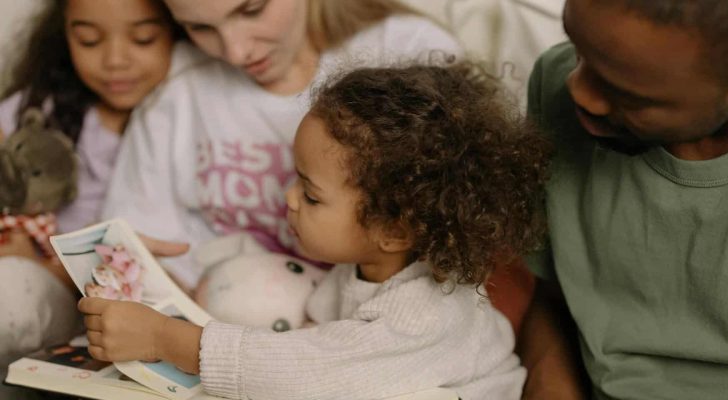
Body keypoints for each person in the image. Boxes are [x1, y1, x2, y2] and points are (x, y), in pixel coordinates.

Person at [78, 62, 550, 400]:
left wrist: (164, 339)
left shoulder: (425, 314)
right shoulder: (366, 269)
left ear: (394, 230)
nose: (287, 198)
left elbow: (300, 370)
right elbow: (316, 335)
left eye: (311, 194)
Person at [517, 0, 728, 399]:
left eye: (628, 95)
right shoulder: (556, 82)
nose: (578, 90)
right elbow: (554, 300)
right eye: (578, 49)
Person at [101, 0, 464, 290]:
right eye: (200, 27)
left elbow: (453, 226)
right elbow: (136, 245)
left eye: (251, 9)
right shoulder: (180, 84)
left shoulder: (409, 51)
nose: (236, 51)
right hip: (216, 314)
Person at [0, 0, 183, 394]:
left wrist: (53, 268)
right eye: (88, 40)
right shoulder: (42, 109)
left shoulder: (181, 115)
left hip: (126, 299)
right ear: (64, 36)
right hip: (45, 290)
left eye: (143, 38)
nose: (115, 60)